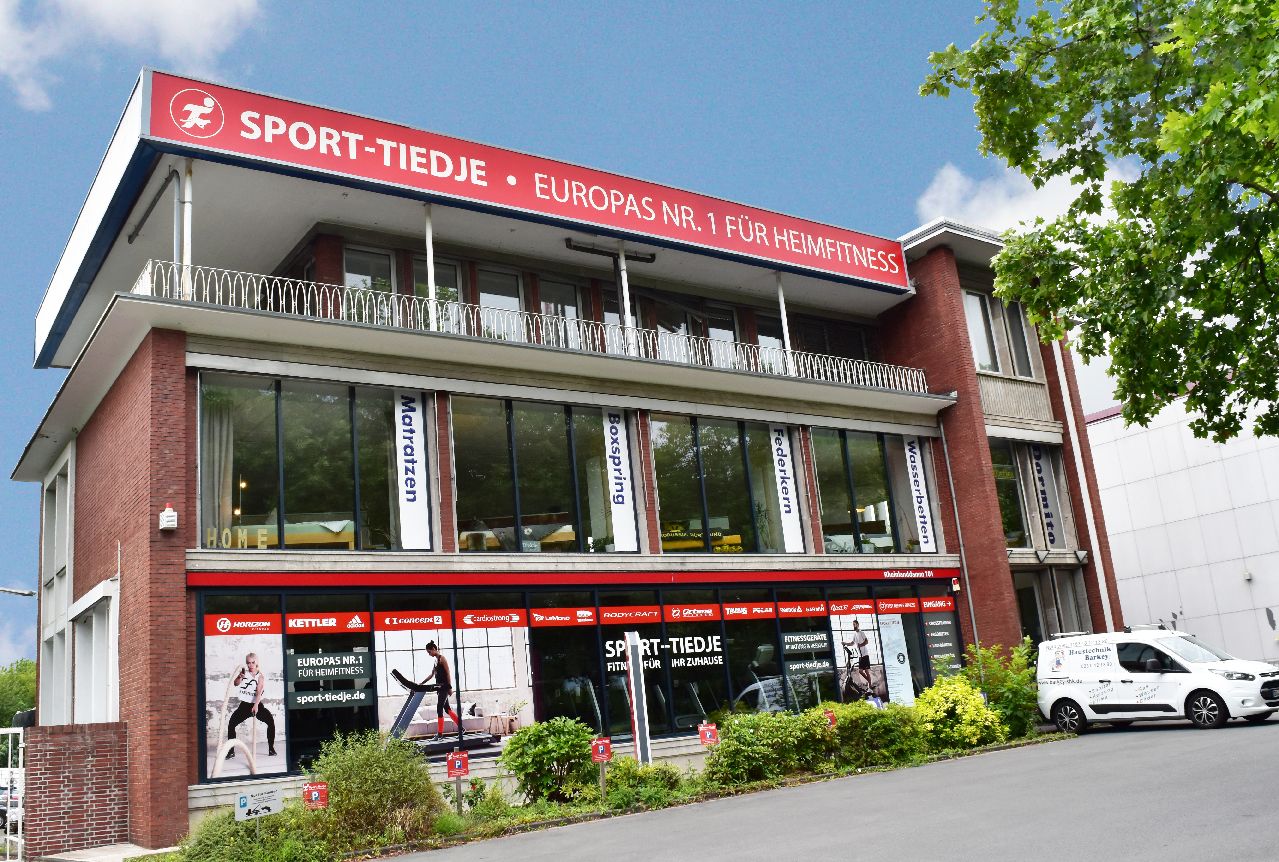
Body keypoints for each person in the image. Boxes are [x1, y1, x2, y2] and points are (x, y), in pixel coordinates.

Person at [227, 653, 277, 758]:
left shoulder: (260, 677)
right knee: (231, 724)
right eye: (248, 663)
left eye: (253, 662)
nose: (251, 665)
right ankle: (231, 751)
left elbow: (259, 692)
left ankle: (271, 749)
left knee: (270, 722)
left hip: (256, 704)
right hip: (244, 705)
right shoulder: (244, 673)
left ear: (256, 662)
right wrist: (239, 677)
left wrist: (256, 705)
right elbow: (236, 683)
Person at [421, 641, 461, 740]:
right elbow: (431, 675)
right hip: (440, 688)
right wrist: (421, 683)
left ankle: (439, 734)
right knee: (447, 709)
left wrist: (450, 688)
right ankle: (461, 729)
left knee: (439, 708)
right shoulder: (435, 661)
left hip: (444, 687)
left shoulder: (442, 658)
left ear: (434, 649)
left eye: (429, 652)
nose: (429, 654)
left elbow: (448, 673)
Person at [843, 620, 873, 694]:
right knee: (860, 671)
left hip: (865, 654)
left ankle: (870, 687)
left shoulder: (861, 632)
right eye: (853, 625)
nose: (854, 626)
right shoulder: (855, 634)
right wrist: (845, 643)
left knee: (866, 671)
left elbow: (866, 641)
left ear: (858, 625)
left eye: (855, 624)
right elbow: (852, 643)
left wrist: (860, 645)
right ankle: (870, 682)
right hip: (860, 656)